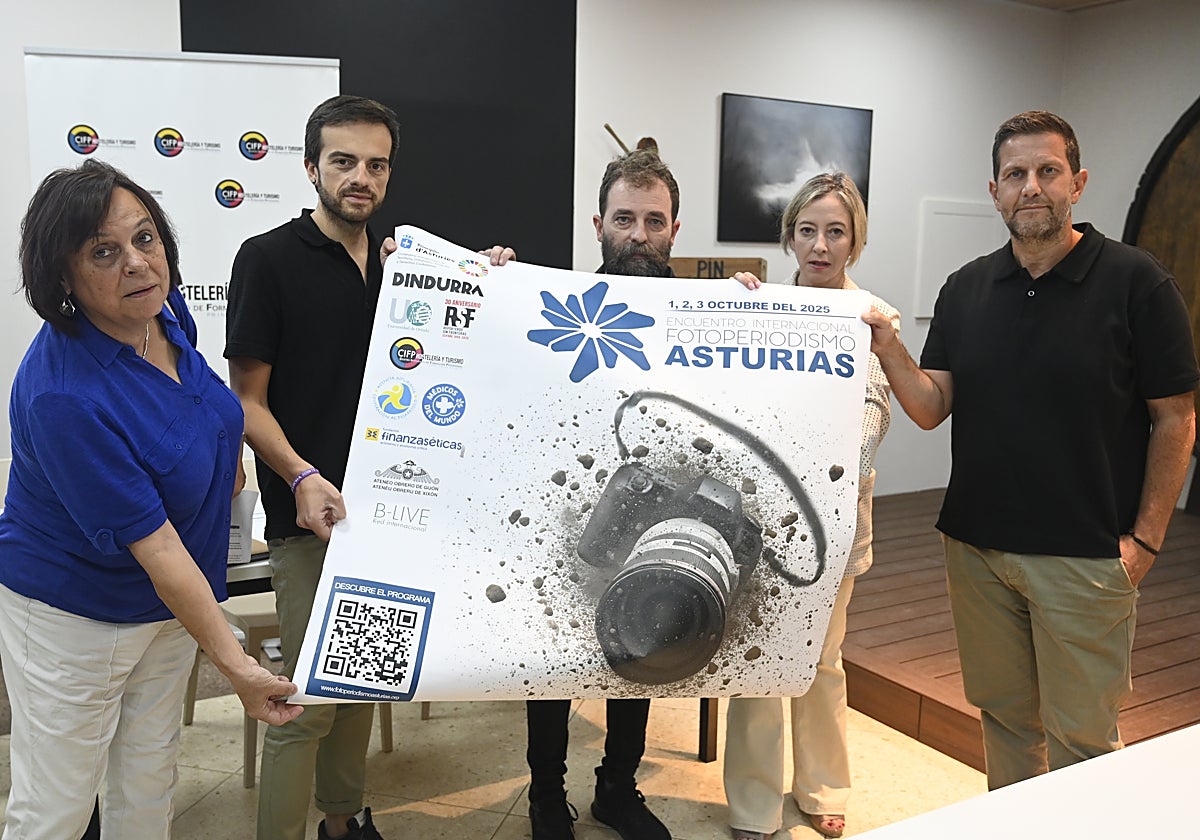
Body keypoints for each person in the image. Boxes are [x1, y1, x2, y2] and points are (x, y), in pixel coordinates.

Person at [862, 110, 1198, 790]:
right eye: (1015, 174)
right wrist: (888, 348)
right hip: (978, 553)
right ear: (994, 191)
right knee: (1007, 721)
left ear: (1076, 182)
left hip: (1087, 555)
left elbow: (1176, 418)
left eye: (1047, 171)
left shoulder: (1138, 284)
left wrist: (1147, 541)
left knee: (1083, 740)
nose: (1031, 187)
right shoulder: (965, 288)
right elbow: (932, 408)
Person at [225, 94, 512, 840]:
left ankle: (344, 821)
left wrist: (495, 283)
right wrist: (302, 476)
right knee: (303, 706)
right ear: (312, 165)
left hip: (392, 522)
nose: (361, 177)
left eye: (376, 164)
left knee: (360, 685)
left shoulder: (403, 268)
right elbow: (246, 403)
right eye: (344, 161)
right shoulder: (268, 258)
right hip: (308, 524)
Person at [0, 159, 301, 840]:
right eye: (104, 251)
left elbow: (201, 405)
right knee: (57, 809)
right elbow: (156, 546)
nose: (137, 263)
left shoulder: (161, 313)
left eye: (145, 238)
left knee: (147, 784)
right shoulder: (64, 395)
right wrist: (236, 663)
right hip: (75, 619)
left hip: (172, 608)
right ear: (63, 277)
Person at [722, 173, 896, 840]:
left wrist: (814, 469)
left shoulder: (874, 315)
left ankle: (823, 787)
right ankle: (752, 803)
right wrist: (729, 307)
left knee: (823, 661)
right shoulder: (763, 306)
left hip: (835, 522)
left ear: (854, 240)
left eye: (836, 231)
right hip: (758, 526)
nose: (820, 245)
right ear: (788, 235)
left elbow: (873, 417)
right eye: (807, 230)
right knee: (758, 660)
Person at [522, 149, 679, 840]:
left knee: (639, 652)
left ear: (675, 228)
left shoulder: (703, 312)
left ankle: (618, 789)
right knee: (553, 664)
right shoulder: (551, 304)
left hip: (656, 516)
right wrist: (495, 281)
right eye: (624, 218)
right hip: (561, 515)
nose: (638, 234)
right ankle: (545, 797)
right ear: (598, 225)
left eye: (654, 220)